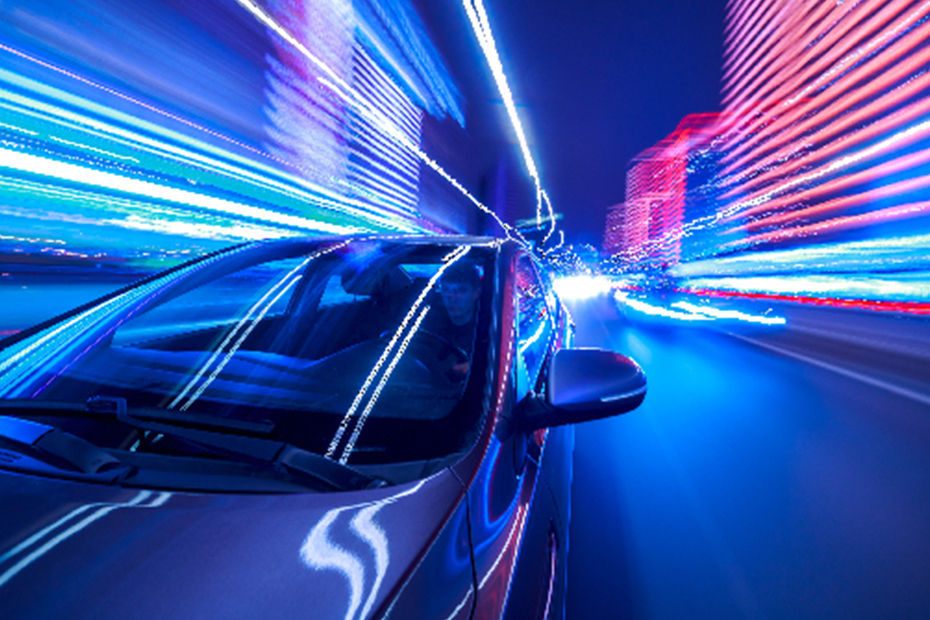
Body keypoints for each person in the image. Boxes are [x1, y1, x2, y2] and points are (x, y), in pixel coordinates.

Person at [425, 261, 482, 381]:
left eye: (461, 290)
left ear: (476, 293)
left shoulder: (488, 327)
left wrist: (476, 367)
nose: (452, 297)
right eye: (446, 289)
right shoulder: (428, 321)